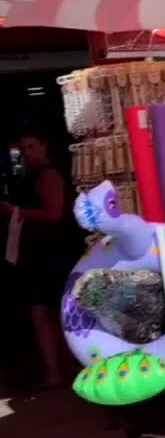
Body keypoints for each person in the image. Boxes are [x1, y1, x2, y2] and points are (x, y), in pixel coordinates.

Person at [0, 128, 84, 389]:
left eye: (31, 146)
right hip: (41, 253)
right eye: (23, 148)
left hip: (51, 252)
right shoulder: (32, 175)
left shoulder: (48, 175)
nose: (27, 152)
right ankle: (64, 365)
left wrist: (16, 211)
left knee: (42, 310)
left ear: (44, 146)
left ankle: (54, 371)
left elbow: (54, 213)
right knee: (53, 309)